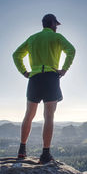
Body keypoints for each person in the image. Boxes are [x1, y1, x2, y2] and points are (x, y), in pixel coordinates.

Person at [12, 13, 76, 164]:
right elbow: (71, 50)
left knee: (29, 114)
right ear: (52, 23)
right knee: (49, 116)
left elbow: (16, 55)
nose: (56, 27)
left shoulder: (33, 38)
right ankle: (45, 154)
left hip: (34, 78)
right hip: (50, 78)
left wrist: (24, 72)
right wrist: (64, 69)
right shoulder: (57, 38)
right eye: (56, 25)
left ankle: (22, 150)